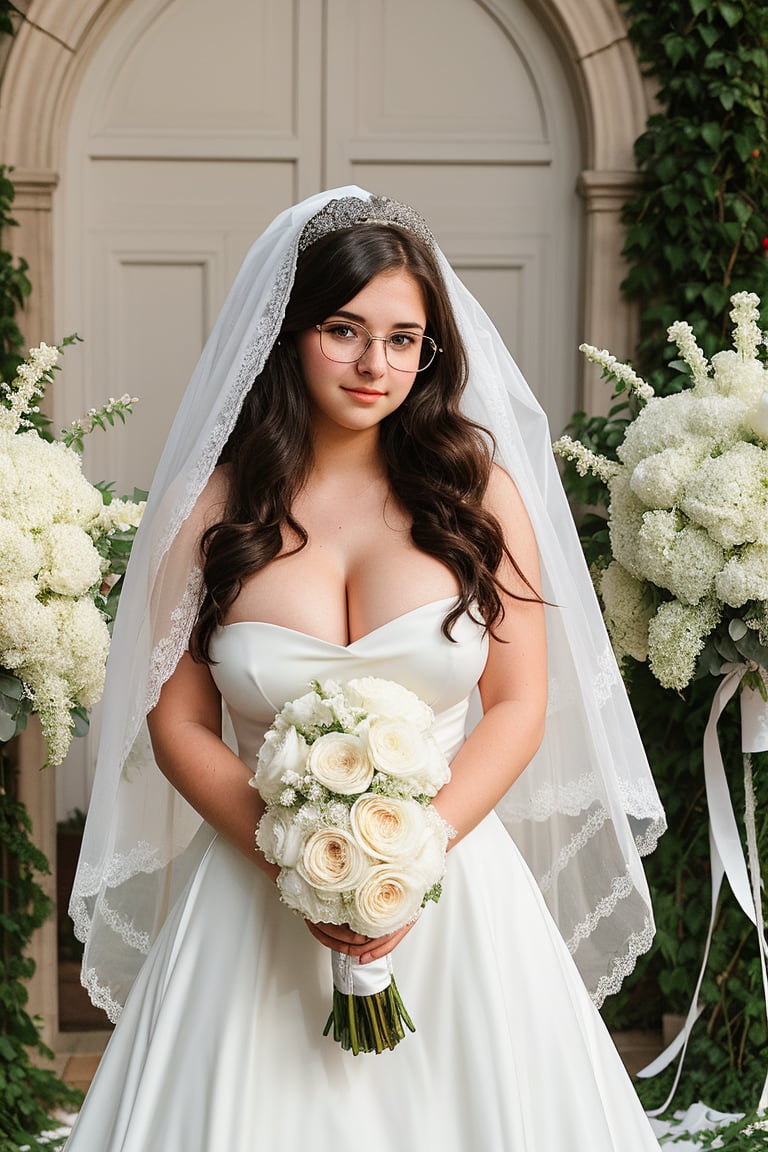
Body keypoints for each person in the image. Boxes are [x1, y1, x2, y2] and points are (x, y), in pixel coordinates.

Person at [65, 188, 665, 1151]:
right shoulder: (209, 508)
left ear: (432, 349)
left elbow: (517, 704)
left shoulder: (482, 494)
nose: (373, 364)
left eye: (403, 339)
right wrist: (299, 860)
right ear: (290, 331)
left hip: (450, 878)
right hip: (256, 888)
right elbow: (175, 724)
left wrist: (407, 857)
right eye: (343, 330)